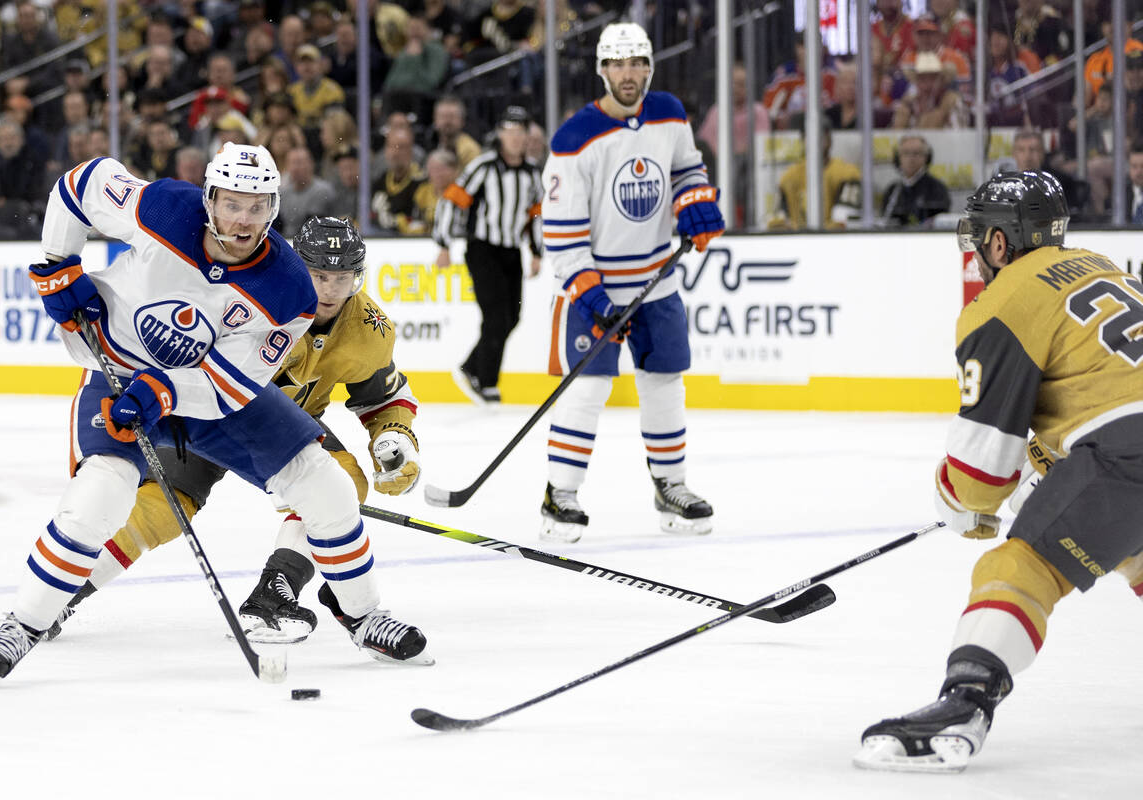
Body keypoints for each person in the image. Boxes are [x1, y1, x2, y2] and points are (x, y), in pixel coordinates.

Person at [0, 144, 431, 680]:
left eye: (257, 207)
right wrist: (59, 264)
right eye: (232, 203)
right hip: (115, 369)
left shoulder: (288, 290)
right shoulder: (164, 207)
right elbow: (80, 184)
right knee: (101, 495)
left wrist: (162, 392)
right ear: (209, 197)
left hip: (209, 394)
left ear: (274, 208)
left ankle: (364, 614)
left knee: (324, 482)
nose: (243, 220)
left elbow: (228, 386)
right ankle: (25, 623)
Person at [854, 170, 1143, 772]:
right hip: (1121, 441)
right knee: (1135, 547)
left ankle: (965, 701)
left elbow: (980, 475)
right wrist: (1049, 477)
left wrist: (959, 500)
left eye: (982, 235)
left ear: (1000, 242)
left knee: (1019, 565)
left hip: (1127, 449)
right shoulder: (1103, 266)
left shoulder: (1005, 300)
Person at [44, 216, 426, 653]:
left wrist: (393, 440)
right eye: (319, 276)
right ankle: (62, 594)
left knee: (343, 482)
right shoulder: (255, 294)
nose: (330, 290)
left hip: (284, 426)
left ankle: (274, 594)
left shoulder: (367, 329)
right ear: (297, 267)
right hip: (202, 411)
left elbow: (382, 398)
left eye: (341, 278)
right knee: (159, 510)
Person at [538, 22, 724, 543]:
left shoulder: (669, 113)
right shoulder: (574, 139)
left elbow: (688, 168)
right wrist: (591, 293)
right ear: (602, 70)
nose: (628, 73)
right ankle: (561, 494)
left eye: (637, 62)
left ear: (649, 67)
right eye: (617, 64)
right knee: (587, 390)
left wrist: (695, 203)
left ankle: (672, 486)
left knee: (665, 384)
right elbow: (561, 230)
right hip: (593, 288)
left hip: (656, 282)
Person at [433, 105, 543, 404]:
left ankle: (472, 368)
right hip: (482, 249)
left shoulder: (533, 173)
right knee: (496, 316)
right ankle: (487, 381)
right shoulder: (484, 167)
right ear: (500, 134)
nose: (516, 138)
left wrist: (536, 251)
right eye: (510, 132)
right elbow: (451, 201)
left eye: (521, 132)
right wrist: (443, 244)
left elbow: (536, 214)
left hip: (511, 251)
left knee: (513, 316)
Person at [769, 121, 862, 230]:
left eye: (821, 136)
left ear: (829, 140)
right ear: (802, 140)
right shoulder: (789, 177)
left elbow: (843, 221)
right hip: (796, 243)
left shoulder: (848, 174)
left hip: (833, 243)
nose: (815, 141)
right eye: (809, 136)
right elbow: (776, 221)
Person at [879, 134, 950, 227]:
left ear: (926, 158)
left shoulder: (937, 189)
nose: (911, 158)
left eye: (916, 153)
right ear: (898, 158)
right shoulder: (892, 191)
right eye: (906, 153)